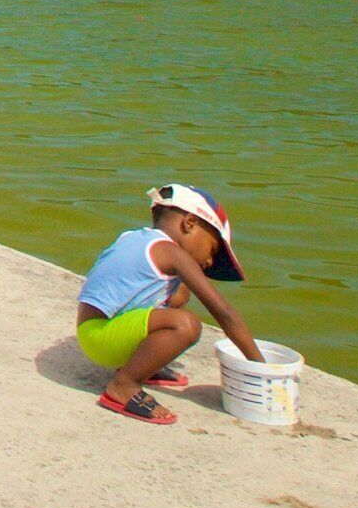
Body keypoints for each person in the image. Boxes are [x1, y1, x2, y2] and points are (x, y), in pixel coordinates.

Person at [74, 182, 261, 424]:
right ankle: (124, 385)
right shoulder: (171, 253)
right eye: (212, 249)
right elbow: (223, 312)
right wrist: (259, 366)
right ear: (190, 223)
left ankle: (143, 363)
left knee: (180, 294)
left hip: (94, 332)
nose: (210, 261)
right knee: (187, 325)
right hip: (100, 338)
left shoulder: (136, 237)